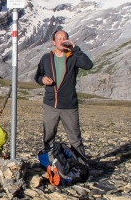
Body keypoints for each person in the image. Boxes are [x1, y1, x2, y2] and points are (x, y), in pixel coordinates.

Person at [34, 29, 93, 160]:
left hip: (69, 105)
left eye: (65, 38)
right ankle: (49, 165)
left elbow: (88, 65)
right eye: (59, 38)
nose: (62, 40)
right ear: (54, 42)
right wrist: (42, 80)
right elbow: (37, 76)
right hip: (50, 105)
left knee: (75, 139)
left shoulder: (73, 57)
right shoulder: (46, 58)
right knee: (48, 137)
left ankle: (82, 166)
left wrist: (75, 49)